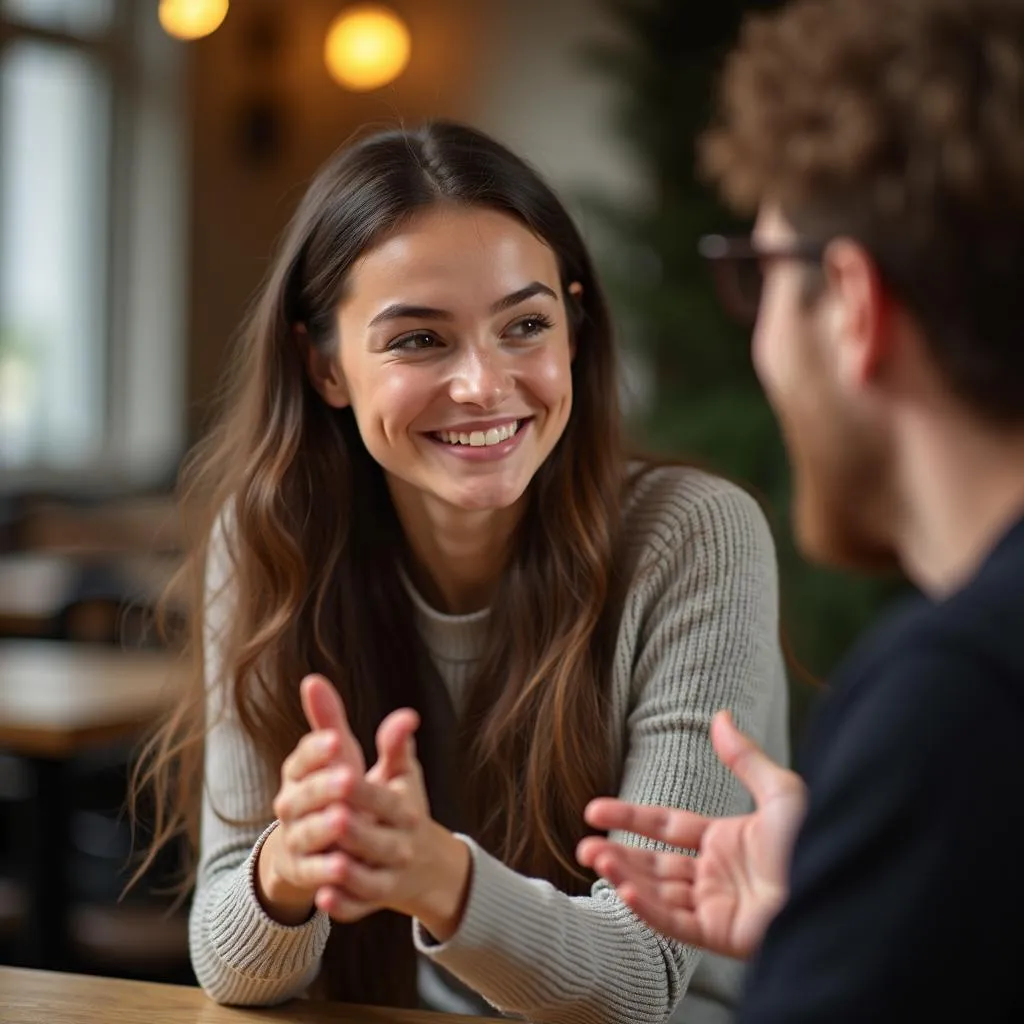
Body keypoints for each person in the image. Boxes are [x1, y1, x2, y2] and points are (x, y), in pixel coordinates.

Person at [130, 120, 789, 1024]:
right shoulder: (274, 538)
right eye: (418, 341)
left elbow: (643, 982)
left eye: (525, 325)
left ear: (575, 327)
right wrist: (289, 864)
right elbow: (235, 968)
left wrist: (435, 875)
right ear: (325, 365)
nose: (483, 384)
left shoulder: (695, 538)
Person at [577, 0, 1024, 1020]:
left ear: (853, 305)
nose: (760, 340)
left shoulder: (950, 706)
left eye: (760, 275)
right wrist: (847, 919)